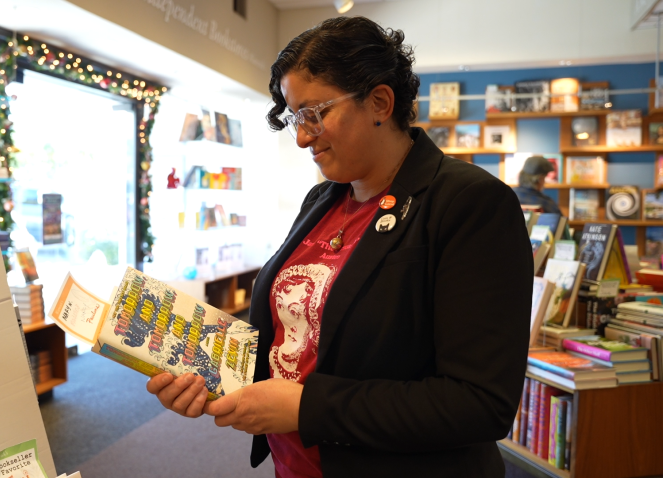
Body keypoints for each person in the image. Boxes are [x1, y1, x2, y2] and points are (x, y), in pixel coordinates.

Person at [147, 16, 532, 477]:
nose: (303, 137)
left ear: (380, 102)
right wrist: (210, 380)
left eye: (315, 113)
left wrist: (308, 409)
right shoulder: (323, 199)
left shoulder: (468, 203)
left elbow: (479, 403)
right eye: (295, 118)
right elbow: (297, 340)